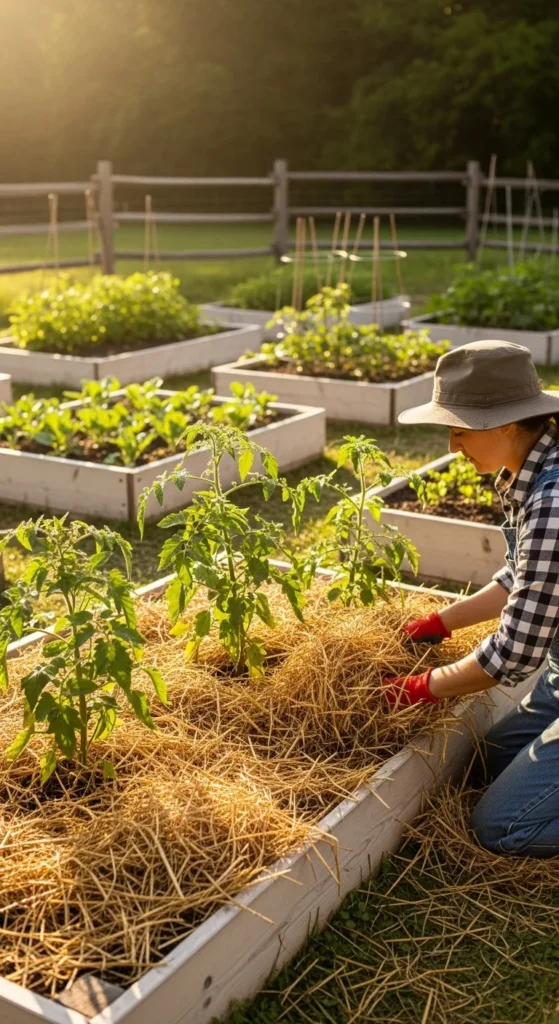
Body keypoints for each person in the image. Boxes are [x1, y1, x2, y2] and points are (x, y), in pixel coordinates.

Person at [387, 339, 559, 858]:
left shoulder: (553, 501)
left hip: (546, 664)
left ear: (505, 425)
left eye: (459, 432)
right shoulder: (530, 472)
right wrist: (440, 621)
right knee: (484, 762)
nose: (452, 446)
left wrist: (420, 687)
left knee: (502, 827)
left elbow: (513, 654)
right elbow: (521, 578)